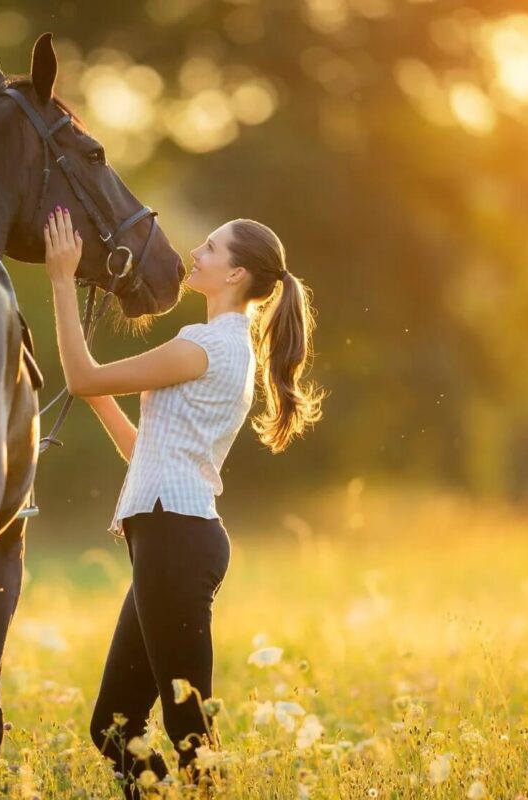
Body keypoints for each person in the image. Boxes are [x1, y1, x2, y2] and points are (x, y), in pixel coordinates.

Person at [43, 206, 324, 797]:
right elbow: (149, 452)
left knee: (186, 726)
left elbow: (80, 375)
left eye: (213, 248)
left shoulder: (205, 345)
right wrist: (100, 399)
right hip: (172, 534)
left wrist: (62, 279)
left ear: (235, 275)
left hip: (177, 539)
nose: (196, 251)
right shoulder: (227, 349)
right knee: (114, 728)